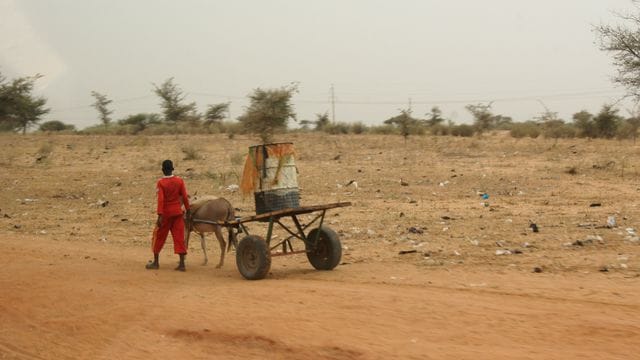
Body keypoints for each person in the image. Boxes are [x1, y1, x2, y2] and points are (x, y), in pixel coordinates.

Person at [145, 159, 190, 271]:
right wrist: (188, 210)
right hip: (178, 213)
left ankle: (156, 262)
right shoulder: (179, 181)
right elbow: (184, 197)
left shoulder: (161, 183)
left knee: (159, 236)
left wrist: (160, 215)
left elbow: (161, 200)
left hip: (166, 214)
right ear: (172, 169)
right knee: (179, 238)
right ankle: (182, 264)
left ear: (163, 170)